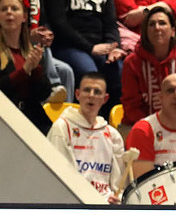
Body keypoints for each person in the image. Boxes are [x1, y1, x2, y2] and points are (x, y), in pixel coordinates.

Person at [42, 0, 124, 104]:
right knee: (89, 74)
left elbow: (111, 25)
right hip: (68, 46)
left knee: (118, 69)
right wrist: (90, 48)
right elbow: (59, 24)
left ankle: (110, 116)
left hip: (99, 47)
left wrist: (114, 48)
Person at [0, 0, 63, 134]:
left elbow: (43, 94)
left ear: (24, 17)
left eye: (14, 8)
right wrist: (24, 71)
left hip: (31, 116)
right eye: (4, 9)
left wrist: (36, 71)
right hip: (2, 116)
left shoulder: (32, 50)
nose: (9, 12)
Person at [48, 71, 131, 203]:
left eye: (97, 92)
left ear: (105, 99)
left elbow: (118, 186)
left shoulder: (112, 135)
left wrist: (116, 199)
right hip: (73, 204)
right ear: (77, 94)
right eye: (87, 90)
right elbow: (60, 178)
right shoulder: (62, 128)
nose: (91, 95)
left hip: (105, 207)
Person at [120, 5, 176, 127]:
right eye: (152, 24)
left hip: (174, 125)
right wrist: (155, 127)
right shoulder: (132, 62)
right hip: (136, 127)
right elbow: (130, 106)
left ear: (173, 31)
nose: (157, 28)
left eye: (162, 23)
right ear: (145, 32)